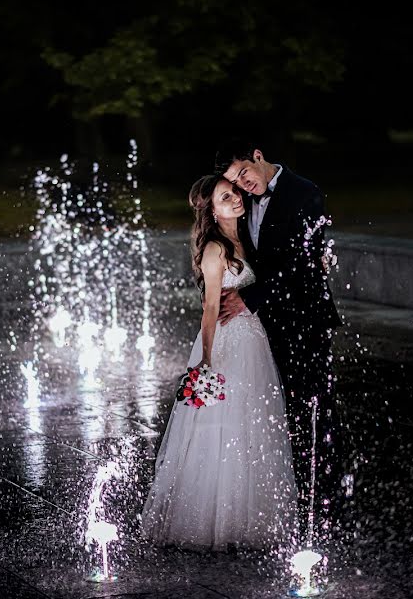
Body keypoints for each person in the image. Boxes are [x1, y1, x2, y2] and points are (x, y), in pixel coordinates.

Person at [141, 175, 297, 550]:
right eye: (225, 197)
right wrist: (206, 361)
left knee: (254, 423)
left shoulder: (245, 239)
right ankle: (214, 518)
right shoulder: (215, 248)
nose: (235, 199)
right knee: (221, 428)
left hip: (254, 341)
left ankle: (254, 515)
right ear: (212, 209)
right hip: (227, 344)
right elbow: (210, 308)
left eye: (234, 193)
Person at [213, 140, 344, 543]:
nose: (243, 185)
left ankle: (328, 501)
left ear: (257, 155)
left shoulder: (304, 192)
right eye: (234, 182)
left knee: (314, 407)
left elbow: (303, 264)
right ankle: (287, 494)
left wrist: (247, 299)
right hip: (264, 325)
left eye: (243, 174)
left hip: (304, 320)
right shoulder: (246, 200)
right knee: (276, 409)